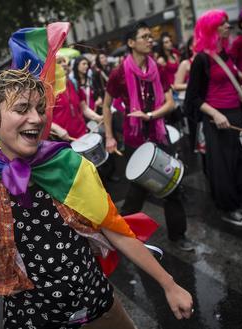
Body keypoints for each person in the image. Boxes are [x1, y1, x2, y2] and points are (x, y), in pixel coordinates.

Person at [0, 67, 193, 328]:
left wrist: (169, 284)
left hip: (100, 305)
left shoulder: (67, 163)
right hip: (34, 320)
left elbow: (115, 230)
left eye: (40, 108)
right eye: (22, 108)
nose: (37, 118)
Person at [102, 21, 194, 252]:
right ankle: (123, 234)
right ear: (131, 43)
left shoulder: (158, 69)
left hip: (159, 135)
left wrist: (149, 115)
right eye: (144, 36)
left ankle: (178, 235)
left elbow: (171, 103)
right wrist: (110, 137)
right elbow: (106, 106)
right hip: (134, 139)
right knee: (137, 190)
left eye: (149, 36)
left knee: (171, 183)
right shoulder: (118, 72)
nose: (149, 39)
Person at [185, 9, 242, 227]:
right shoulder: (201, 59)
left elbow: (230, 84)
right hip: (217, 119)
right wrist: (215, 113)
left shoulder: (225, 54)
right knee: (224, 167)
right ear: (211, 29)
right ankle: (229, 209)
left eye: (227, 23)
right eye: (223, 23)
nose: (228, 26)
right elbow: (192, 99)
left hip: (236, 113)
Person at [51, 55, 102, 141]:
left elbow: (84, 108)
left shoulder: (73, 83)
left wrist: (99, 118)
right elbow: (42, 118)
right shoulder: (48, 89)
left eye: (64, 61)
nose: (64, 64)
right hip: (66, 141)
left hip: (84, 134)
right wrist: (57, 129)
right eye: (59, 62)